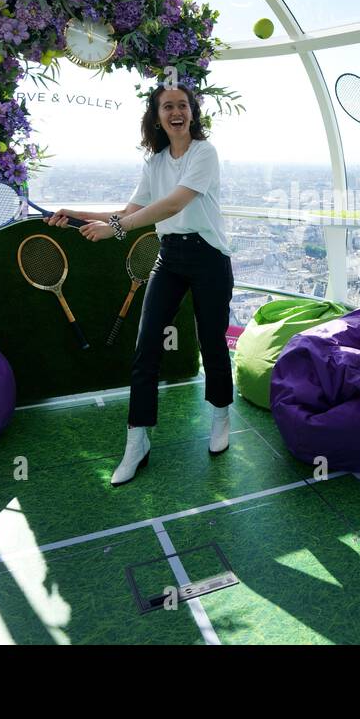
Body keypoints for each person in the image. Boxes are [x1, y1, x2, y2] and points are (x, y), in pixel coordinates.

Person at [47, 83, 235, 486]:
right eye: (168, 106)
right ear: (157, 116)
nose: (176, 112)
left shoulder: (205, 153)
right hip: (169, 258)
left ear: (193, 113)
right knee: (145, 346)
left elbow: (172, 204)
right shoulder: (154, 164)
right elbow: (130, 211)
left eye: (183, 105)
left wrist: (115, 228)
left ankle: (221, 414)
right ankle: (138, 441)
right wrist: (75, 214)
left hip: (208, 258)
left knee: (212, 341)